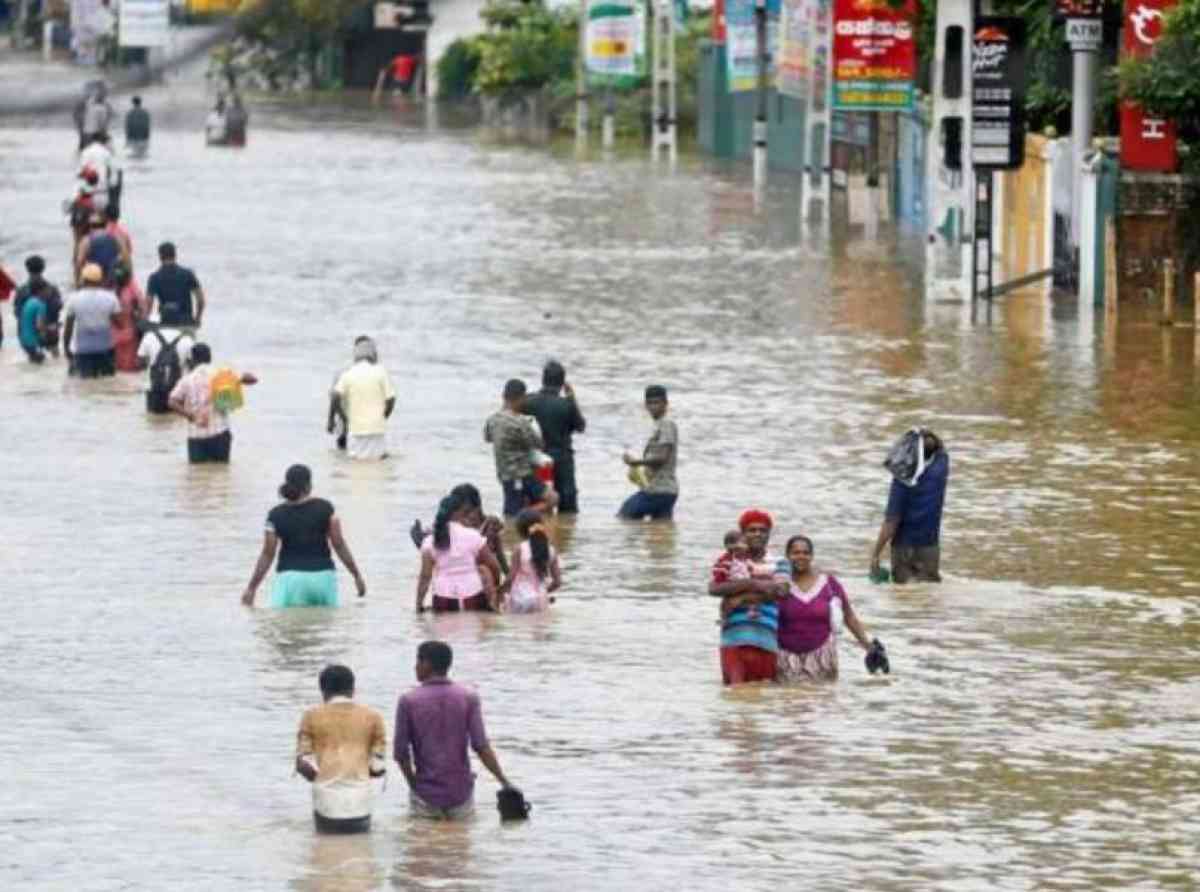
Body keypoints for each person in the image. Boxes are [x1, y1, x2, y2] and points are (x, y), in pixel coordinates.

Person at [394, 641, 517, 820]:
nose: (415, 666)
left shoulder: (408, 701)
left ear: (426, 664)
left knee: (422, 837)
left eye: (418, 661)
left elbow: (401, 753)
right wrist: (504, 781)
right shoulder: (468, 697)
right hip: (461, 792)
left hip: (425, 794)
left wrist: (414, 784)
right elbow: (481, 746)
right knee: (461, 837)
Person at [242, 464, 366, 607]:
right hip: (322, 578)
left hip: (290, 579)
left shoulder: (275, 515)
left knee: (285, 621)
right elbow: (339, 544)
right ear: (308, 485)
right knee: (324, 621)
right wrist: (356, 575)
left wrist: (252, 588)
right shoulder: (325, 508)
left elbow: (267, 554)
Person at [295, 665, 387, 834]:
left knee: (325, 846)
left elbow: (304, 765)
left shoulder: (311, 716)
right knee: (360, 848)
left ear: (323, 691)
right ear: (353, 689)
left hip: (327, 803)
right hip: (360, 802)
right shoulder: (373, 717)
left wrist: (325, 775)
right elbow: (377, 768)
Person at [777, 535, 879, 681]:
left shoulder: (829, 584)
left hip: (823, 657)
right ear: (787, 556)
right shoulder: (778, 585)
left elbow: (849, 616)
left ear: (812, 556)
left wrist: (867, 646)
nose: (801, 557)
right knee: (787, 694)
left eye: (806, 553)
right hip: (786, 659)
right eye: (796, 553)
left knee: (824, 694)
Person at [708, 509, 787, 685]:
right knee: (736, 695)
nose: (757, 534)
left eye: (762, 530)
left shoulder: (779, 562)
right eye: (752, 530)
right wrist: (755, 584)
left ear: (769, 534)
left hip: (767, 640)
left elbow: (782, 591)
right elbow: (714, 588)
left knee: (765, 695)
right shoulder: (730, 560)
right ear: (743, 534)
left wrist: (739, 598)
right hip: (733, 641)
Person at [869, 429, 949, 584]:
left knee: (904, 593)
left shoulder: (902, 481)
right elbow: (940, 446)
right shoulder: (941, 467)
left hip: (904, 549)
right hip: (930, 548)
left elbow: (891, 522)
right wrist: (924, 433)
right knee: (927, 592)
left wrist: (876, 554)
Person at [167, 342, 258, 463]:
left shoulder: (187, 380)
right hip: (220, 434)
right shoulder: (222, 374)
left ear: (193, 360)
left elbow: (172, 402)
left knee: (197, 473)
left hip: (196, 436)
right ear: (210, 357)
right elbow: (252, 379)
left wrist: (191, 416)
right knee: (221, 471)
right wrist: (240, 379)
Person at [416, 491, 503, 613]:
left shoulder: (429, 541)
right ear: (459, 513)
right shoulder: (473, 536)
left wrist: (418, 605)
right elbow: (494, 566)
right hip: (473, 596)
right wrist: (495, 590)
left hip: (442, 598)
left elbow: (425, 577)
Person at [484, 378, 557, 518]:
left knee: (512, 505)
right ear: (521, 398)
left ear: (504, 396)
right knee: (552, 499)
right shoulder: (521, 422)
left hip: (503, 474)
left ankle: (517, 519)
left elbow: (487, 438)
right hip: (521, 475)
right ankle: (521, 517)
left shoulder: (492, 420)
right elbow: (539, 444)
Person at [521, 360, 586, 513]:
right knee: (568, 506)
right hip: (562, 461)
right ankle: (567, 528)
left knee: (541, 503)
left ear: (543, 379)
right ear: (562, 383)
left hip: (538, 460)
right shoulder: (566, 404)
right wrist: (572, 398)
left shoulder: (528, 402)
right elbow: (581, 426)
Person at [410, 483, 510, 576]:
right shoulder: (453, 527)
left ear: (478, 508)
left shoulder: (490, 525)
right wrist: (423, 542)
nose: (463, 517)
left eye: (467, 512)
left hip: (482, 579)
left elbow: (500, 561)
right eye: (456, 511)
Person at [618, 385, 679, 520]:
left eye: (657, 403)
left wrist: (636, 462)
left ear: (665, 404)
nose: (653, 407)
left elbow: (662, 458)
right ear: (645, 405)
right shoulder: (659, 425)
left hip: (659, 490)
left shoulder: (666, 424)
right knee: (660, 529)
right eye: (649, 403)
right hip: (665, 491)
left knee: (624, 515)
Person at [330, 336, 396, 461]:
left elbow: (334, 398)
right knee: (378, 460)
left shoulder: (347, 373)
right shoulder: (380, 372)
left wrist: (343, 419)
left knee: (353, 461)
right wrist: (383, 416)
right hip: (376, 428)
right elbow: (391, 399)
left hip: (354, 427)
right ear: (373, 354)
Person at [63, 263, 120, 378]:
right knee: (107, 383)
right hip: (106, 349)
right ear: (100, 280)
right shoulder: (111, 297)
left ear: (83, 280)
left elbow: (68, 327)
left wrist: (66, 348)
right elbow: (118, 323)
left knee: (86, 384)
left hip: (83, 350)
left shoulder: (73, 299)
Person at [503, 509, 561, 613]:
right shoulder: (551, 550)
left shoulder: (520, 549)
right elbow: (557, 582)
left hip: (520, 598)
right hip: (541, 599)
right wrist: (544, 592)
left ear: (520, 531)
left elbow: (510, 578)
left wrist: (499, 592)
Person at [137, 324, 194, 413]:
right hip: (178, 391)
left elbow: (140, 362)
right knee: (177, 418)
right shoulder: (187, 339)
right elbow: (193, 367)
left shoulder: (149, 336)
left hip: (154, 390)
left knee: (153, 418)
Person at [146, 242, 205, 328]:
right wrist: (197, 318)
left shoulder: (154, 277)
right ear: (175, 255)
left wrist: (146, 321)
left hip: (165, 323)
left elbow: (148, 303)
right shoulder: (188, 274)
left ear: (160, 257)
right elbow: (200, 300)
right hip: (186, 323)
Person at [13, 256, 63, 356]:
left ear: (27, 269)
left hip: (28, 334)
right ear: (43, 268)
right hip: (50, 332)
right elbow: (58, 307)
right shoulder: (52, 288)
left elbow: (17, 313)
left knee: (34, 361)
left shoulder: (21, 290)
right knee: (55, 357)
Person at [110, 264, 147, 372]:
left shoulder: (111, 291)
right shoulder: (133, 291)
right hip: (130, 334)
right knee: (130, 368)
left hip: (114, 334)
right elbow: (141, 312)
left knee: (117, 368)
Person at [75, 212, 126, 285]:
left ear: (90, 226)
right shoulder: (116, 238)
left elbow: (79, 262)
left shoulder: (86, 240)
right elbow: (124, 258)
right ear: (105, 225)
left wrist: (77, 281)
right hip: (111, 278)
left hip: (93, 278)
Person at [17, 289, 49, 364]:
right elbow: (39, 325)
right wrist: (44, 336)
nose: (49, 293)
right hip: (33, 342)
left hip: (23, 340)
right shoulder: (41, 305)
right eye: (48, 291)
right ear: (41, 291)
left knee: (33, 362)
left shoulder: (29, 301)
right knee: (40, 363)